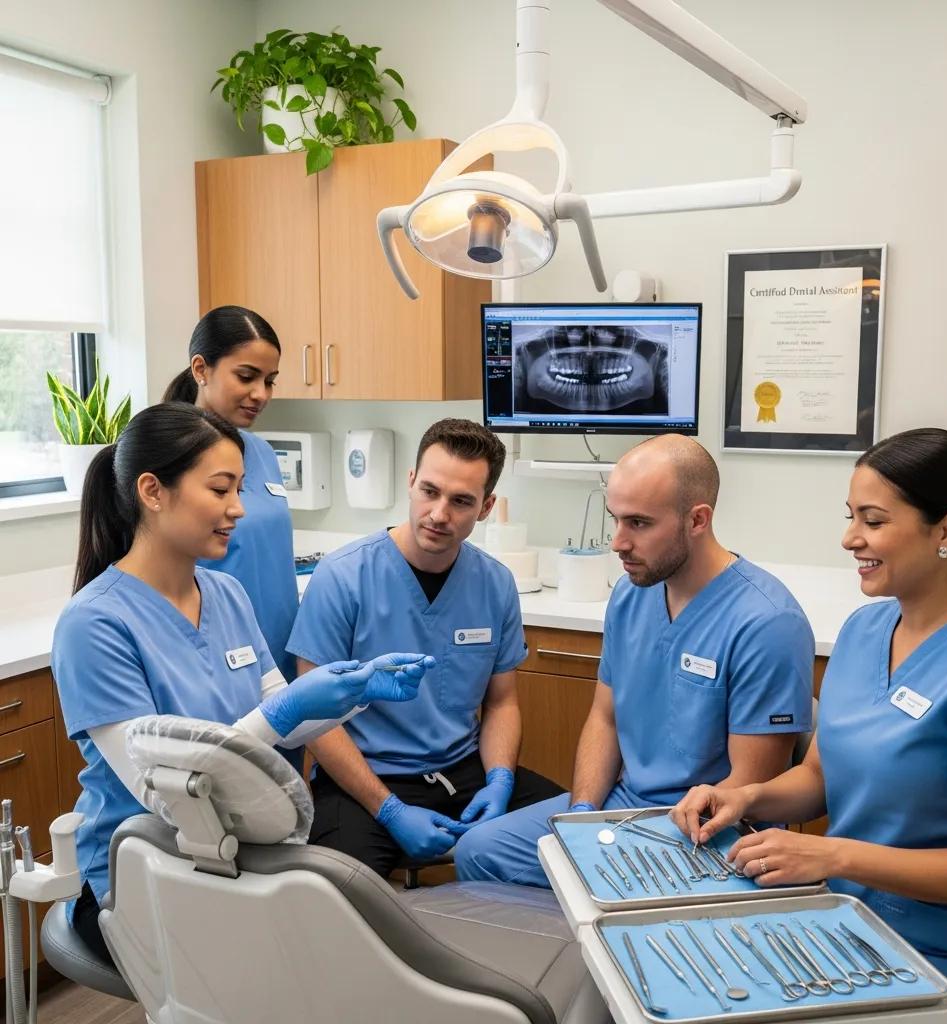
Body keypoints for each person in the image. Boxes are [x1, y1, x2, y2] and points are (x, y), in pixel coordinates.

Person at [52, 403, 431, 963]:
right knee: (314, 959)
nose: (239, 508)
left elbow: (280, 709)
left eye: (240, 489)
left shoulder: (225, 594)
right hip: (140, 876)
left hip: (234, 856)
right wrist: (282, 713)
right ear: (153, 491)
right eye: (220, 489)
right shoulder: (94, 624)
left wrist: (353, 692)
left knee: (359, 940)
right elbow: (166, 794)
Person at [674, 428, 947, 1024]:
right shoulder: (863, 631)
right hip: (844, 928)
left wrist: (831, 855)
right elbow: (818, 776)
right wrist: (745, 797)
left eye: (874, 520)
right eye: (850, 516)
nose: (850, 538)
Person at [455, 433, 814, 887]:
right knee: (480, 852)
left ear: (697, 519)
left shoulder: (766, 622)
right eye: (616, 519)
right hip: (622, 808)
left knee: (600, 889)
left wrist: (627, 843)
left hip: (707, 831)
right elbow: (605, 719)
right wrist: (582, 817)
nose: (618, 542)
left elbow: (748, 787)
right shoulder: (630, 594)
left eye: (639, 523)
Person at [286, 418, 564, 877]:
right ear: (411, 481)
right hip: (366, 780)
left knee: (578, 841)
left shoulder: (495, 584)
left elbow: (502, 703)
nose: (438, 514)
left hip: (466, 771)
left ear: (486, 507)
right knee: (340, 891)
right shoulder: (343, 576)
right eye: (429, 491)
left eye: (461, 501)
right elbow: (314, 719)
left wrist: (500, 779)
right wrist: (389, 809)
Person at [163, 306, 298, 686]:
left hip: (281, 656)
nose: (261, 394)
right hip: (216, 661)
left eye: (270, 381)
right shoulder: (170, 459)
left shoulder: (263, 453)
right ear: (201, 369)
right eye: (246, 376)